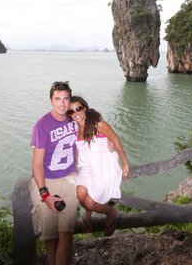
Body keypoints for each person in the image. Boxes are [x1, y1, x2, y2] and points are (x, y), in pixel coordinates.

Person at [30, 81, 79, 265]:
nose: (62, 104)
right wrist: (45, 195)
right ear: (51, 100)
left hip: (69, 179)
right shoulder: (41, 126)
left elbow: (92, 132)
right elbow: (37, 165)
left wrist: (108, 142)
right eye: (57, 99)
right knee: (51, 240)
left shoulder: (74, 119)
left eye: (66, 99)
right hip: (45, 181)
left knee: (66, 232)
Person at [68, 96, 130, 237]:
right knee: (80, 193)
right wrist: (73, 168)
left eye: (79, 108)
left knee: (89, 202)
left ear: (85, 108)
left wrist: (125, 164)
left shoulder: (98, 125)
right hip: (86, 168)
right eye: (71, 111)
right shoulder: (73, 130)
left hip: (104, 168)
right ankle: (88, 214)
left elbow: (116, 140)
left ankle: (111, 213)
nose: (76, 113)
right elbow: (78, 151)